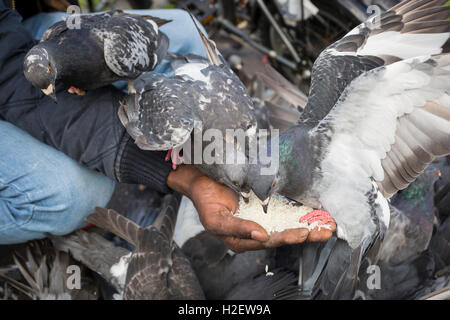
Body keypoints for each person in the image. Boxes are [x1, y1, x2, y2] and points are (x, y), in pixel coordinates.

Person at [0, 0, 334, 252]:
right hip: (18, 69)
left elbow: (11, 60)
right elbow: (24, 93)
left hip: (13, 36)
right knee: (72, 194)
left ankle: (190, 165)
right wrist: (180, 173)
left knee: (185, 28)